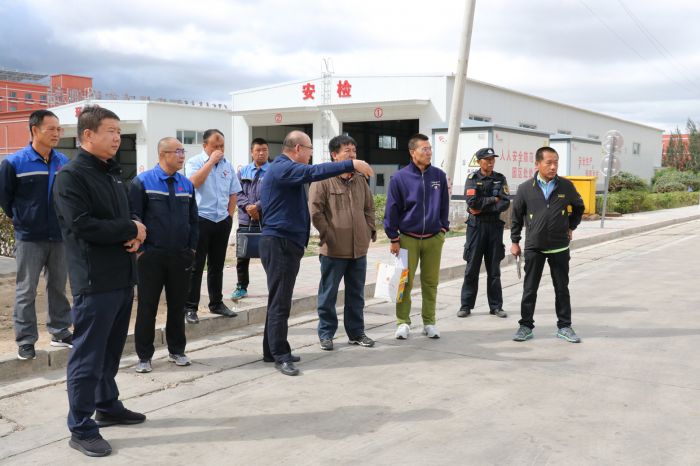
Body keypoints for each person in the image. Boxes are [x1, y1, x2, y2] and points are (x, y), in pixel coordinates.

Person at [53, 106, 147, 457]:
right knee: (88, 356)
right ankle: (81, 426)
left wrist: (135, 233)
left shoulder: (112, 172)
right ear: (87, 134)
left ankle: (107, 404)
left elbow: (125, 215)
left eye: (119, 131)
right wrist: (129, 227)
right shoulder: (71, 176)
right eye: (110, 131)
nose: (117, 137)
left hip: (122, 275)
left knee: (110, 350)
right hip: (95, 280)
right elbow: (82, 225)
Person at [260, 130, 373, 376]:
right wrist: (352, 164)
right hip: (280, 243)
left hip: (285, 242)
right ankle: (280, 355)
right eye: (310, 149)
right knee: (280, 303)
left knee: (278, 299)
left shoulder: (282, 170)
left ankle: (272, 350)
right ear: (298, 149)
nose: (311, 154)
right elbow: (313, 173)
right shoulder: (283, 167)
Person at [0, 110, 72, 361]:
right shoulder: (14, 163)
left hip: (59, 236)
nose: (57, 133)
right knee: (26, 290)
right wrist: (23, 219)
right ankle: (26, 340)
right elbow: (5, 199)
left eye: (58, 129)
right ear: (34, 130)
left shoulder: (63, 161)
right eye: (51, 129)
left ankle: (60, 331)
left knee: (58, 286)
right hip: (29, 237)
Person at [129, 137, 198, 373]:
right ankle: (144, 356)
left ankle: (177, 350)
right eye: (177, 151)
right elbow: (134, 216)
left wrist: (191, 249)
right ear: (163, 154)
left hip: (180, 256)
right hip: (151, 257)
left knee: (177, 306)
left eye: (183, 151)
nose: (182, 156)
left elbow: (193, 220)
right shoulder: (142, 182)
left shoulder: (186, 185)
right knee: (147, 307)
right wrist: (141, 251)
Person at [510, 146, 585, 343]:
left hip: (559, 246)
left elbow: (579, 207)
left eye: (556, 163)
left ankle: (565, 326)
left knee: (562, 288)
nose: (553, 167)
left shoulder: (566, 186)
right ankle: (525, 326)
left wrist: (571, 226)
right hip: (534, 246)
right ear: (537, 164)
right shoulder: (525, 188)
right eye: (549, 163)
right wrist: (515, 241)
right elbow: (516, 217)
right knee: (530, 289)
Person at [309, 135, 376, 351]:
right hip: (333, 249)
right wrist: (328, 234)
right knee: (328, 294)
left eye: (354, 151)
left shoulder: (360, 179)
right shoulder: (322, 180)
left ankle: (356, 333)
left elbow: (369, 208)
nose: (352, 154)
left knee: (356, 294)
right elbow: (315, 211)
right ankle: (326, 334)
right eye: (347, 151)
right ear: (334, 155)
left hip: (359, 249)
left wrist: (369, 230)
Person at [384, 133, 449, 340]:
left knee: (431, 283)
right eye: (424, 149)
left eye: (430, 149)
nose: (429, 152)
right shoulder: (400, 178)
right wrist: (393, 238)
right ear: (413, 152)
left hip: (433, 238)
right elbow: (391, 209)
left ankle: (429, 322)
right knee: (403, 282)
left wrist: (443, 229)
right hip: (407, 238)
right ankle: (403, 322)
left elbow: (444, 205)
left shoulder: (438, 176)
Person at [184, 129, 241, 323]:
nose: (219, 150)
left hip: (221, 220)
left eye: (222, 146)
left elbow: (234, 192)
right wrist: (210, 162)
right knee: (196, 265)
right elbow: (193, 183)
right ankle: (190, 307)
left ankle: (216, 303)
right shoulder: (194, 162)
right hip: (201, 219)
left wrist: (229, 216)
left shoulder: (227, 165)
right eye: (215, 146)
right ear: (205, 146)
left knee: (217, 265)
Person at [458, 147, 510, 318]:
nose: (491, 162)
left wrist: (484, 207)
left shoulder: (500, 178)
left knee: (494, 270)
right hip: (476, 228)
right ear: (479, 161)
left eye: (492, 159)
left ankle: (496, 306)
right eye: (487, 159)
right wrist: (493, 199)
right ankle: (466, 306)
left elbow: (505, 203)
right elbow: (472, 202)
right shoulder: (472, 179)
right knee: (471, 268)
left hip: (494, 227)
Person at [230, 137, 269, 301]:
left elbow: (274, 193)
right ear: (252, 152)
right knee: (242, 255)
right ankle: (241, 286)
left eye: (264, 150)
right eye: (258, 150)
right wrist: (248, 207)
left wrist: (258, 207)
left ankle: (274, 287)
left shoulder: (273, 172)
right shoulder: (243, 171)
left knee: (269, 255)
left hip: (266, 219)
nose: (261, 153)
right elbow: (237, 192)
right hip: (246, 219)